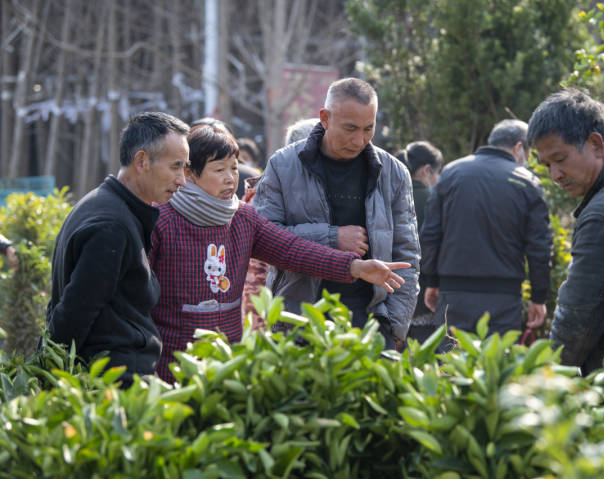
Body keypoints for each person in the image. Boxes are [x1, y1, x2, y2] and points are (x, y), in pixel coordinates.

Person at [150, 124, 411, 381]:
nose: (231, 178)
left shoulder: (243, 217)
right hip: (172, 362)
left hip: (226, 361)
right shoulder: (161, 219)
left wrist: (355, 267)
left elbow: (292, 249)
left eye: (233, 168)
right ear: (191, 174)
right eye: (219, 170)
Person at [253, 77, 420, 350]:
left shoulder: (393, 173)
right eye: (350, 128)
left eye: (369, 129)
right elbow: (264, 240)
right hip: (298, 320)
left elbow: (407, 256)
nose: (359, 140)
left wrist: (394, 329)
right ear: (325, 118)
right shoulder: (283, 165)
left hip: (370, 325)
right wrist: (332, 237)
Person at [46, 112, 190, 383]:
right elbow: (74, 313)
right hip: (112, 385)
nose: (182, 179)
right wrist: (51, 376)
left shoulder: (108, 206)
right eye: (176, 166)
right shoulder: (111, 224)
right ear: (142, 161)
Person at [527, 89, 604, 375]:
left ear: (596, 145)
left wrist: (546, 379)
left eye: (560, 159)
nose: (555, 175)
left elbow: (577, 321)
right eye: (547, 165)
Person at [420, 120, 552, 350]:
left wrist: (431, 280)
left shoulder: (451, 173)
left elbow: (430, 234)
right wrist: (539, 297)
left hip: (454, 294)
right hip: (503, 298)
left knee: (451, 370)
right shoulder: (527, 182)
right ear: (519, 148)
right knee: (494, 374)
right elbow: (538, 247)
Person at [396, 141, 443, 343]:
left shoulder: (389, 197)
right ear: (426, 170)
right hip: (426, 297)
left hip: (391, 297)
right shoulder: (435, 200)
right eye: (437, 172)